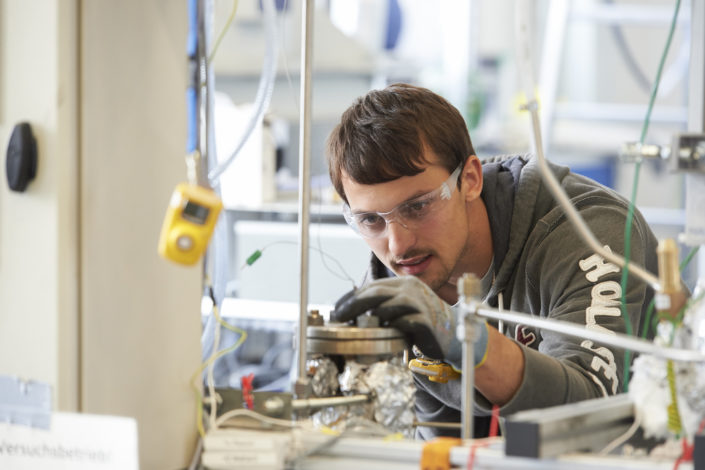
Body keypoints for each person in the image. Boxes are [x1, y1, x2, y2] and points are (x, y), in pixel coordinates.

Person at [324, 83, 660, 439]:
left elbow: (588, 411)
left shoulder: (587, 231)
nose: (398, 244)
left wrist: (463, 338)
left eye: (418, 206)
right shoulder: (395, 285)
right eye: (370, 220)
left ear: (470, 180)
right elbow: (437, 439)